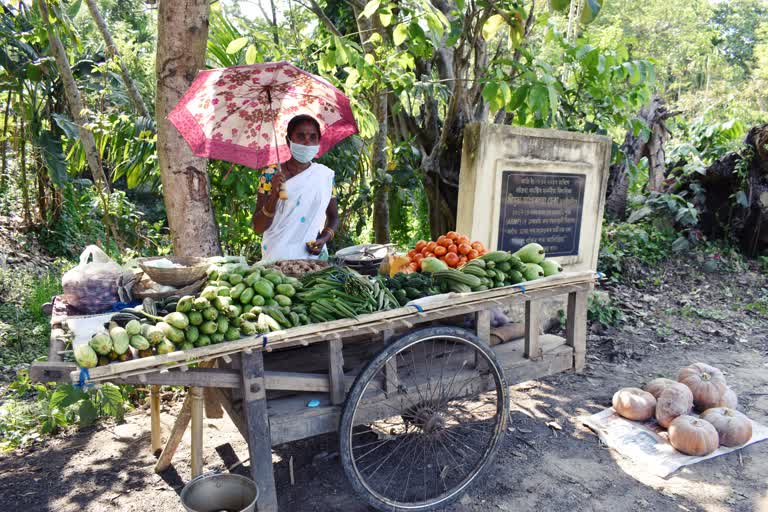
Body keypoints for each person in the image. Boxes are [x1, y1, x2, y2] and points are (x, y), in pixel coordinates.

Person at [252, 115, 339, 261]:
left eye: (313, 137)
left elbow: (334, 217)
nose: (307, 142)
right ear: (288, 141)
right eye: (300, 136)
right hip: (276, 258)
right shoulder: (270, 175)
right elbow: (258, 227)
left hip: (313, 260)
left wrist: (323, 238)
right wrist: (274, 195)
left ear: (318, 142)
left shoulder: (324, 176)